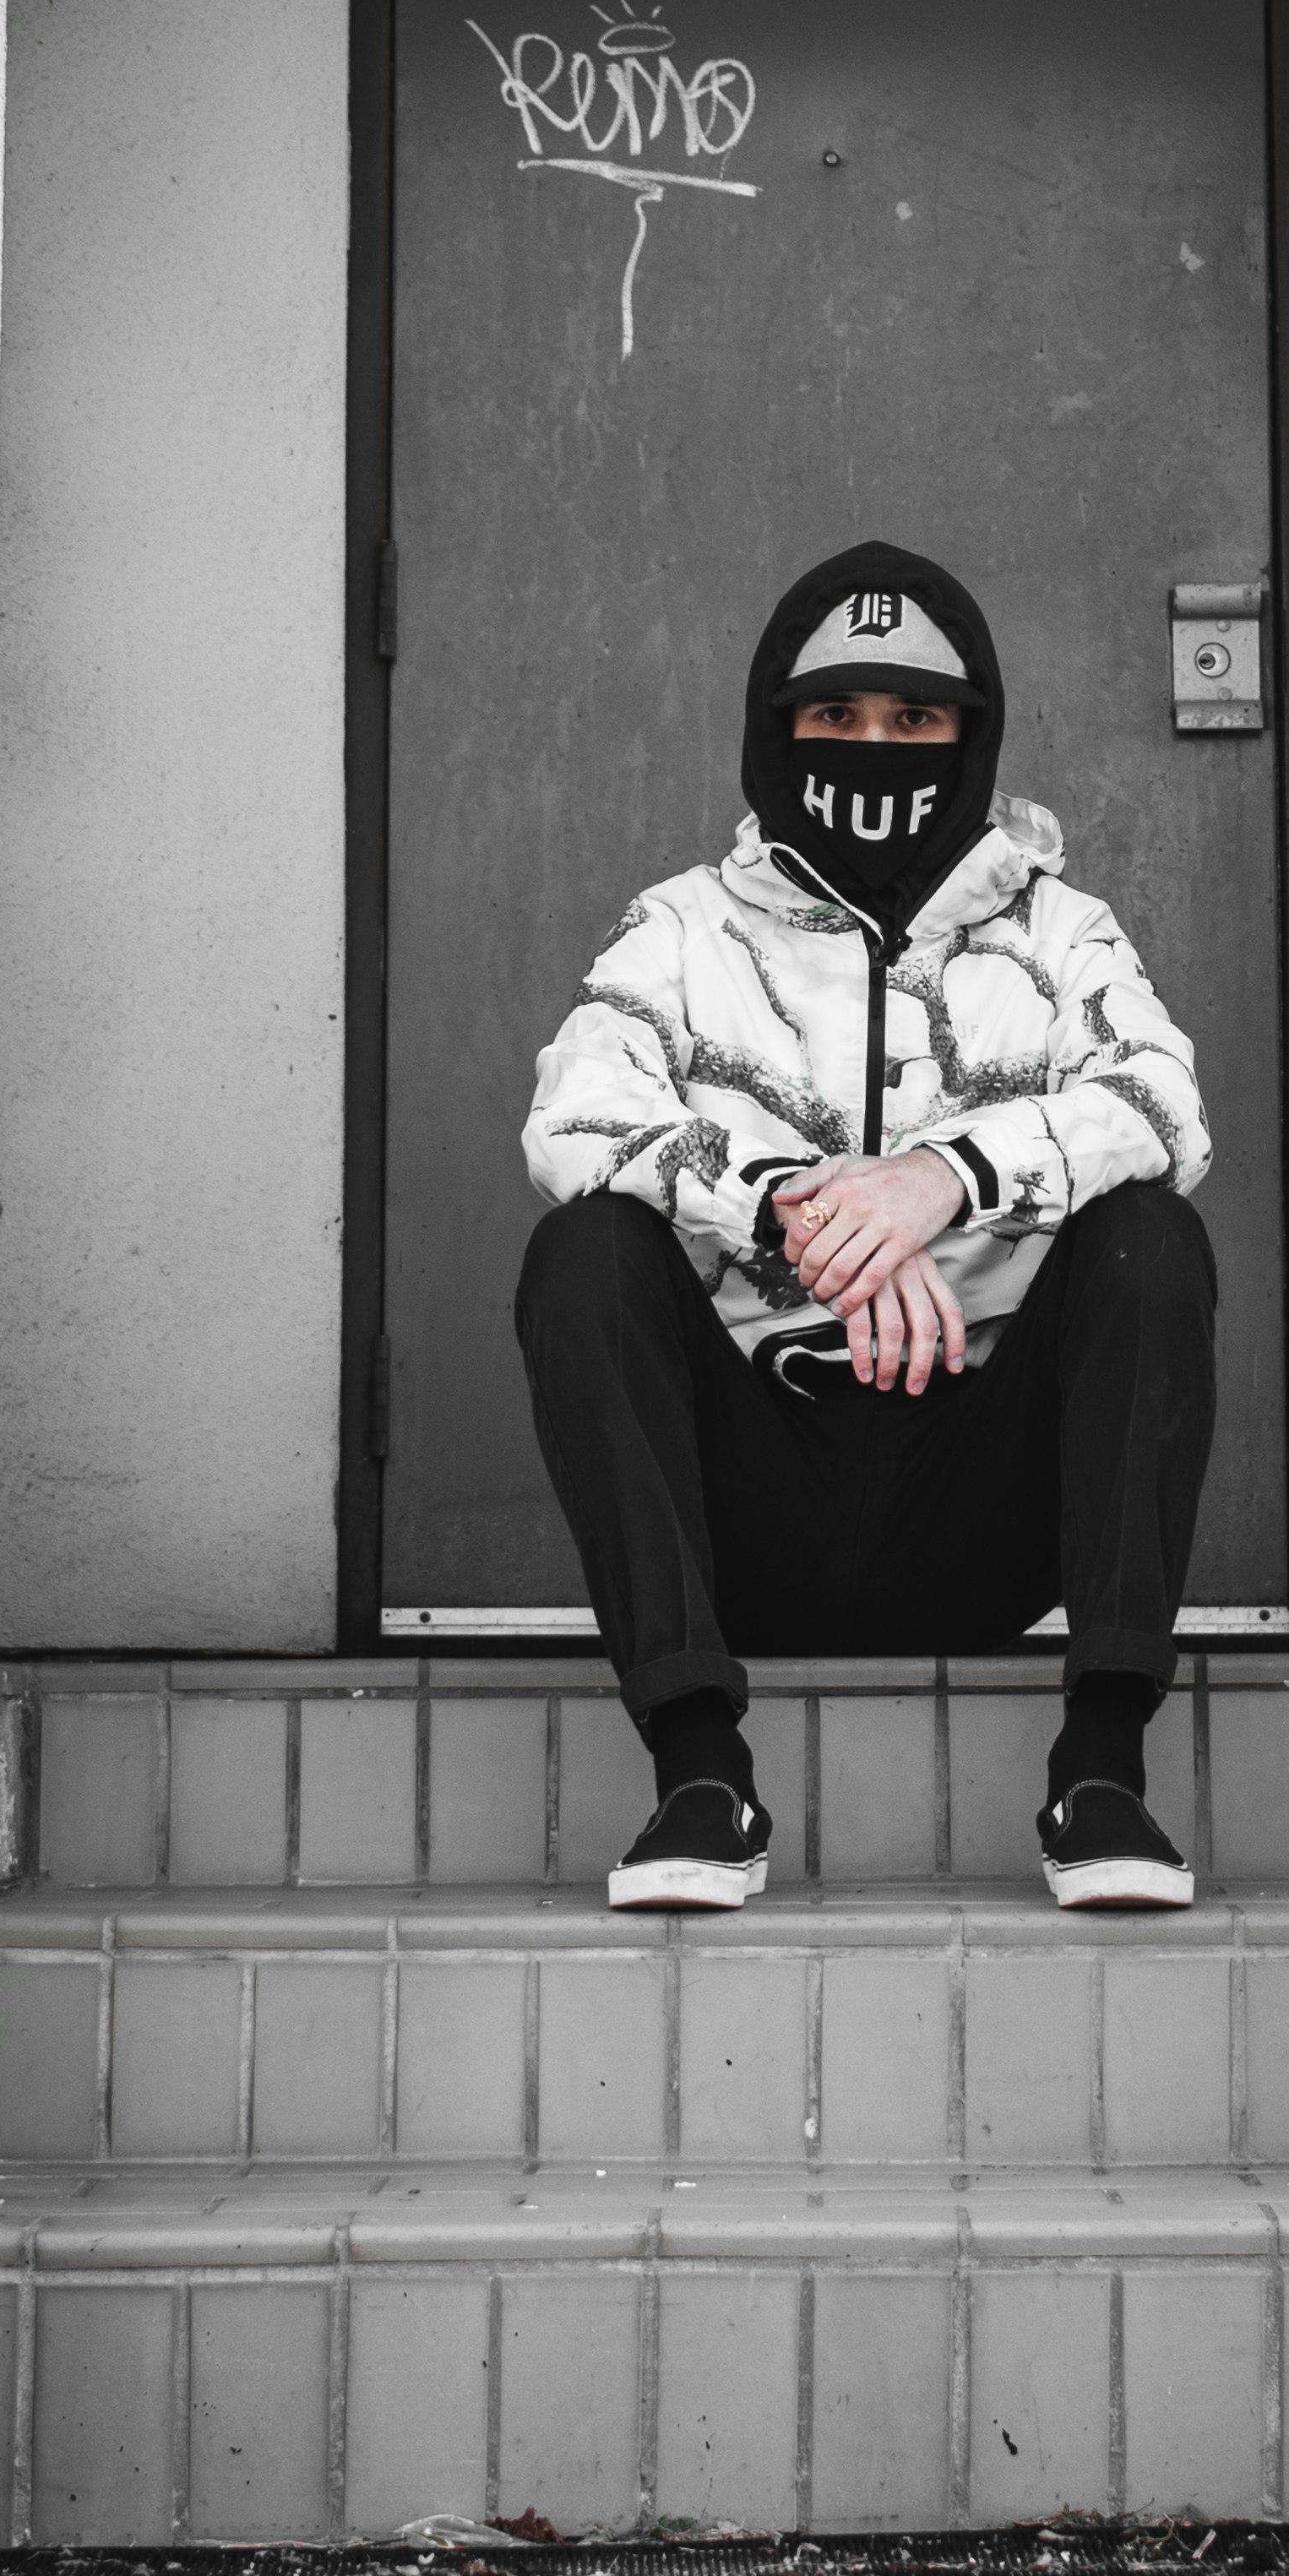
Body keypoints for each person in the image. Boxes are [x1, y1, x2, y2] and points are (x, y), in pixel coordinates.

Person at [514, 541, 1220, 1915]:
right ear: (778, 731)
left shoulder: (1062, 930)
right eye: (834, 716)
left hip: (983, 1494)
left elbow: (1164, 1104)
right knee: (581, 1252)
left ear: (971, 734)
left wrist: (940, 1179)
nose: (874, 746)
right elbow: (574, 1115)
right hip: (754, 1498)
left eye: (915, 719)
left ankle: (1103, 1766)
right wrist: (793, 1204)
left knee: (1150, 1238)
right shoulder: (681, 928)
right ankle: (699, 1774)